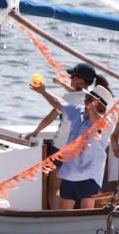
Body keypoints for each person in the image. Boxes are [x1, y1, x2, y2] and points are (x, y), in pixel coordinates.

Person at [30, 79, 114, 210]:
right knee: (65, 207)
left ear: (101, 106)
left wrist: (92, 112)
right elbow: (59, 104)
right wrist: (43, 92)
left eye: (91, 99)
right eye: (87, 97)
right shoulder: (78, 111)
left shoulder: (108, 120)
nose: (87, 101)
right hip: (71, 169)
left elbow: (100, 125)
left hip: (91, 172)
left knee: (87, 207)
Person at [24, 63, 98, 210]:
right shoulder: (94, 100)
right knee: (80, 191)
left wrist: (35, 132)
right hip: (81, 152)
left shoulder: (67, 99)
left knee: (54, 189)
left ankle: (55, 218)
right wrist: (62, 84)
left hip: (61, 149)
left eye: (73, 77)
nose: (70, 78)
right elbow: (77, 94)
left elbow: (49, 118)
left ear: (79, 80)